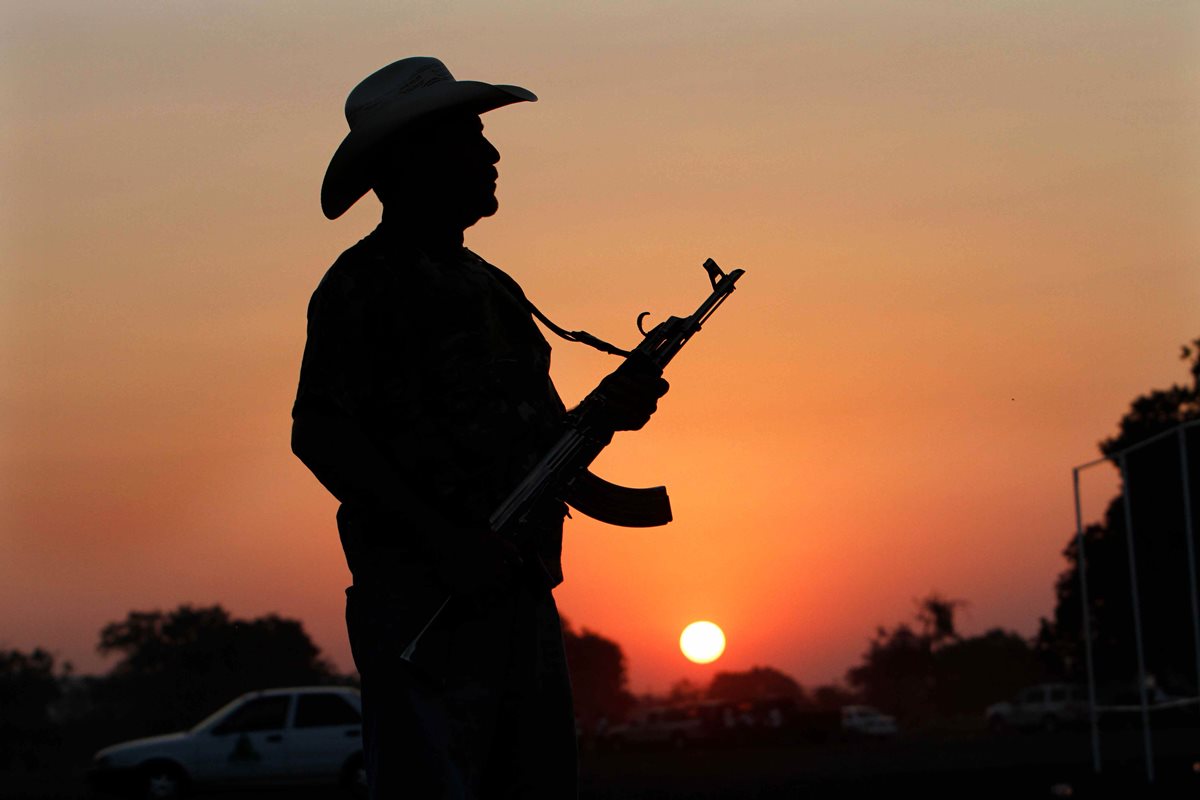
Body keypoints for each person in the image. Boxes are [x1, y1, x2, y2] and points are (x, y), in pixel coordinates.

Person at [291, 57, 668, 799]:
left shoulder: (492, 287)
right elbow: (322, 432)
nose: (492, 156)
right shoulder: (365, 283)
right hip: (425, 603)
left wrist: (605, 420)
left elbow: (529, 441)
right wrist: (445, 542)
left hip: (517, 595)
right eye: (470, 138)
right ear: (411, 160)